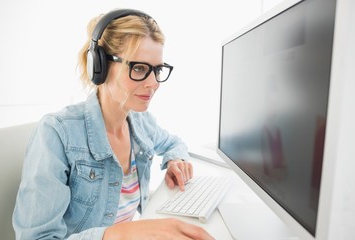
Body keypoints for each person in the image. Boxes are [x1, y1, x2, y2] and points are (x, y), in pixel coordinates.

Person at [12, 8, 214, 240]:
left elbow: (172, 142)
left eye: (157, 70)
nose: (153, 83)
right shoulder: (57, 133)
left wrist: (175, 160)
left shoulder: (140, 122)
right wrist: (119, 234)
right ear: (100, 66)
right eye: (139, 68)